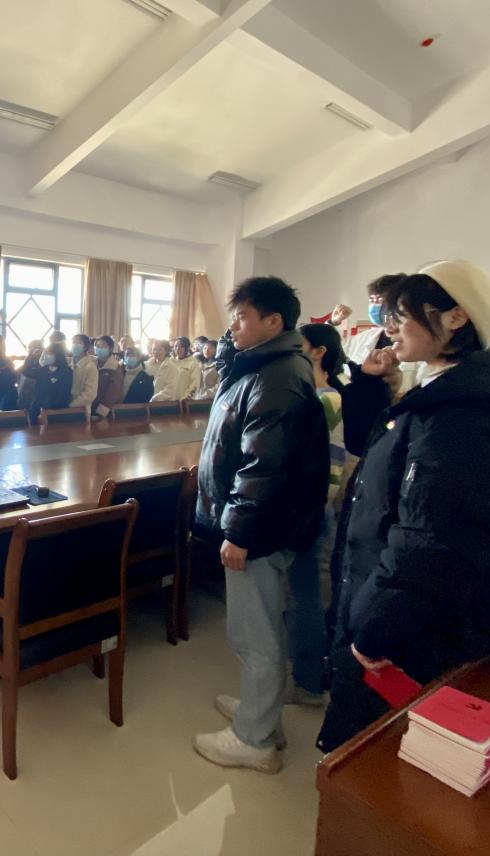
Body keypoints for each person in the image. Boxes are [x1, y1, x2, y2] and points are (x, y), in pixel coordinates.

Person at [318, 262, 490, 753]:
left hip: (412, 628)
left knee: (375, 757)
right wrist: (371, 385)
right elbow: (377, 459)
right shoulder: (442, 391)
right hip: (388, 602)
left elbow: (435, 546)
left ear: (456, 317)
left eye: (402, 315)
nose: (390, 327)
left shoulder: (469, 417)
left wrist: (373, 632)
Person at [192, 277, 329, 774]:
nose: (233, 326)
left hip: (261, 528)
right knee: (260, 629)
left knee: (256, 633)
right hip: (272, 522)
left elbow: (263, 466)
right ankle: (260, 713)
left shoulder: (276, 377)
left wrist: (239, 532)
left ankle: (254, 739)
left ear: (274, 322)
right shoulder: (267, 366)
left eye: (243, 317)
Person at [288, 323, 349, 706]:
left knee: (305, 593)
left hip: (308, 509)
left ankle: (309, 681)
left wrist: (312, 508)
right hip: (308, 506)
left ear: (318, 351)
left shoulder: (325, 399)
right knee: (301, 591)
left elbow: (331, 464)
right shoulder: (314, 395)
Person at [20, 341, 73, 423]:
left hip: (56, 412)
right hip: (36, 409)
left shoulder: (66, 371)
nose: (46, 355)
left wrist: (46, 408)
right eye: (45, 352)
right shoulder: (43, 369)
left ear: (58, 354)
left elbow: (63, 394)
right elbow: (26, 372)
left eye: (49, 353)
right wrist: (31, 356)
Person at [93, 335, 124, 417]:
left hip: (106, 411)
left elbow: (113, 393)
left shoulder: (115, 367)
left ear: (110, 348)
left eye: (103, 346)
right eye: (97, 346)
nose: (100, 348)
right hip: (91, 407)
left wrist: (100, 412)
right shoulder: (91, 363)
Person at [68, 334, 99, 413]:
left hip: (81, 410)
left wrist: (70, 405)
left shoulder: (90, 367)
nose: (74, 345)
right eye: (73, 342)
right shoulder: (69, 363)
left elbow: (90, 394)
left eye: (78, 343)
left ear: (85, 346)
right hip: (65, 408)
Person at [16, 339, 43, 412]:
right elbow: (25, 370)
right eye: (30, 348)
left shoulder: (42, 358)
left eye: (31, 347)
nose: (30, 350)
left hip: (36, 387)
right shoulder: (29, 358)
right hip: (26, 386)